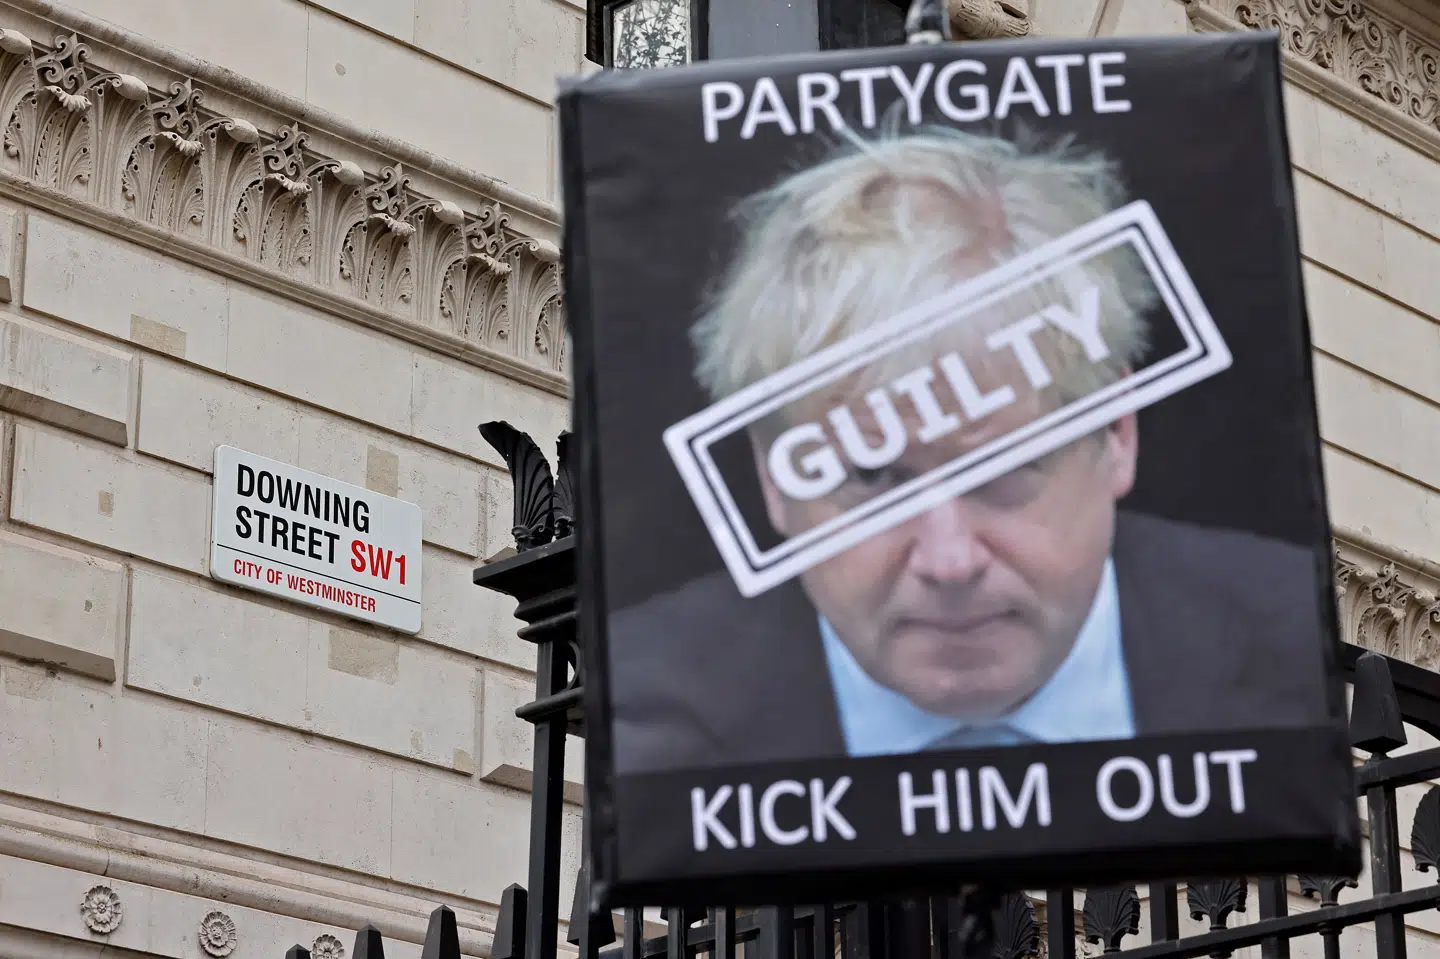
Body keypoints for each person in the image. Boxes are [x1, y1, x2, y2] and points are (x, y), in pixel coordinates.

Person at [608, 127, 1329, 775]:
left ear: (1117, 431)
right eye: (874, 476)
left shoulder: (1286, 641)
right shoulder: (657, 704)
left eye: (1005, 467)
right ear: (774, 478)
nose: (949, 562)